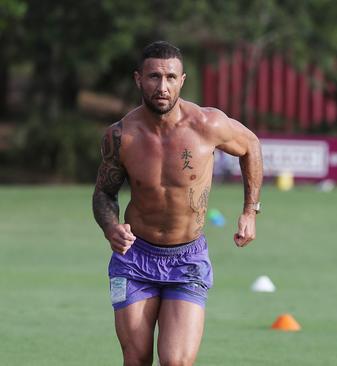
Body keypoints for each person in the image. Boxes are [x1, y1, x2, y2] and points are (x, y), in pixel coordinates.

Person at [92, 41, 263, 366]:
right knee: (137, 358)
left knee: (176, 361)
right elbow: (104, 193)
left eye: (171, 77)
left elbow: (250, 145)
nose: (162, 86)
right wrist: (110, 227)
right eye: (154, 76)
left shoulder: (207, 124)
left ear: (182, 80)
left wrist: (250, 210)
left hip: (187, 260)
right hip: (133, 259)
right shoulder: (120, 136)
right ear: (138, 79)